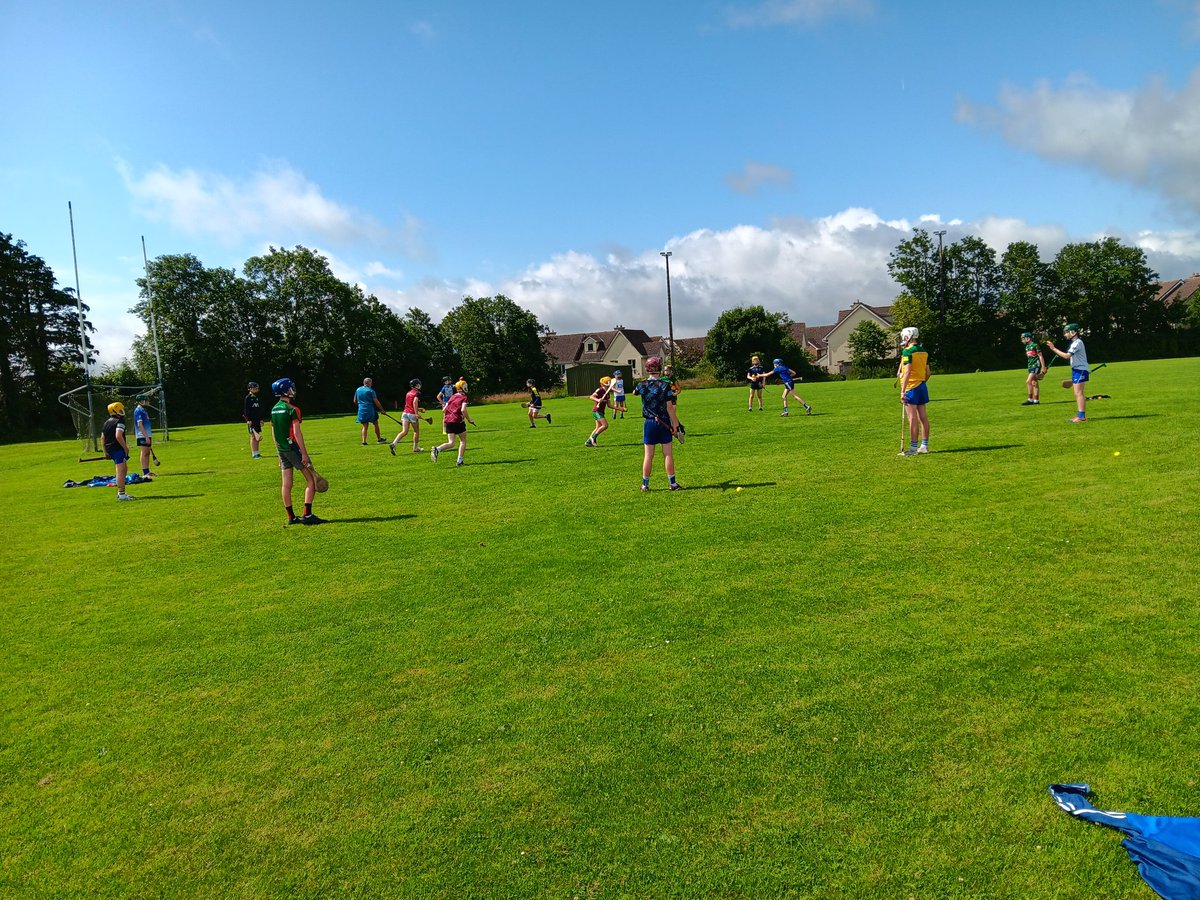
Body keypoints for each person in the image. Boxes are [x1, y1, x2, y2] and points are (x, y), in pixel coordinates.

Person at [271, 377, 325, 526]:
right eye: (291, 388)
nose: (292, 390)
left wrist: (278, 453)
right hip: (293, 448)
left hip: (282, 450)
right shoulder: (292, 409)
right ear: (286, 391)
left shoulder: (274, 409)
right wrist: (305, 454)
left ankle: (291, 517)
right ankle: (307, 515)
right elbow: (297, 433)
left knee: (286, 484)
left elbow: (274, 433)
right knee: (311, 480)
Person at [633, 356, 682, 492]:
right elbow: (669, 407)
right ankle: (672, 483)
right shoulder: (665, 385)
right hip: (663, 421)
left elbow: (635, 392)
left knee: (648, 455)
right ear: (659, 369)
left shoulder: (641, 384)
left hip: (649, 423)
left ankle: (645, 485)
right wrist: (676, 423)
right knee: (667, 454)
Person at [1045, 323, 1090, 423]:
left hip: (1080, 369)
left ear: (1073, 332)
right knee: (1077, 393)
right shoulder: (1075, 343)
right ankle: (1080, 415)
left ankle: (1082, 417)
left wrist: (1053, 349)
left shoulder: (1077, 343)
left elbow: (1066, 356)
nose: (1065, 334)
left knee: (1079, 393)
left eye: (1066, 332)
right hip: (1077, 369)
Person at [897, 326, 931, 456]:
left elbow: (907, 372)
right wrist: (921, 382)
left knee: (912, 418)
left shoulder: (907, 352)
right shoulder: (923, 351)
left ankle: (912, 449)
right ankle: (924, 446)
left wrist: (903, 391)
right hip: (922, 386)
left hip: (911, 387)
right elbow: (928, 372)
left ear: (907, 337)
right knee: (923, 417)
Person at [432, 381, 476, 466]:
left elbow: (444, 410)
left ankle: (438, 449)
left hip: (449, 421)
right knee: (463, 441)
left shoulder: (452, 396)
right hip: (458, 421)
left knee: (451, 443)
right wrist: (469, 419)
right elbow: (463, 410)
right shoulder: (464, 397)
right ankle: (460, 461)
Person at [101, 401, 136, 501]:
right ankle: (121, 494)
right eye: (120, 409)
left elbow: (102, 438)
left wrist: (105, 451)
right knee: (120, 470)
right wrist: (125, 448)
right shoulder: (119, 421)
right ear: (116, 410)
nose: (122, 411)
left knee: (124, 468)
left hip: (110, 449)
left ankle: (121, 492)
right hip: (117, 449)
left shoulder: (106, 422)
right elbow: (118, 435)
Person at [389, 378, 426, 455]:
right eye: (418, 384)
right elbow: (415, 402)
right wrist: (416, 413)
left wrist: (419, 410)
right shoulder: (417, 393)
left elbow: (410, 405)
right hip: (412, 414)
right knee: (416, 431)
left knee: (404, 431)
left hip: (405, 413)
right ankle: (416, 448)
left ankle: (394, 444)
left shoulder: (408, 393)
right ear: (416, 385)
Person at [585, 376, 616, 447]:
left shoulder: (607, 393)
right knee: (605, 425)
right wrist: (598, 400)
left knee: (597, 427)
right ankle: (593, 437)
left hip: (601, 412)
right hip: (597, 411)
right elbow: (591, 396)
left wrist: (618, 408)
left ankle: (588, 442)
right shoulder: (600, 390)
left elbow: (609, 405)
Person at [354, 377, 386, 445]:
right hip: (370, 410)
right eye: (371, 382)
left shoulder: (358, 389)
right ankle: (379, 439)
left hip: (361, 410)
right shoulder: (371, 391)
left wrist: (360, 406)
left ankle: (364, 441)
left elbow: (354, 401)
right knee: (375, 423)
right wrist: (382, 410)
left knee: (365, 426)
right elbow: (376, 401)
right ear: (369, 383)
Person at [662, 363, 685, 443]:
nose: (666, 371)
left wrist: (674, 394)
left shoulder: (674, 379)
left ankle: (677, 429)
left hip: (672, 399)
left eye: (667, 370)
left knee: (672, 415)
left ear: (670, 371)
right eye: (665, 370)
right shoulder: (662, 379)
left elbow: (679, 389)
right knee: (668, 415)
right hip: (665, 399)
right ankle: (679, 428)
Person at [1021, 332, 1046, 406]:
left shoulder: (1035, 346)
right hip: (1030, 366)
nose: (1022, 340)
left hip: (1036, 365)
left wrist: (1043, 367)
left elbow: (1040, 356)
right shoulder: (1027, 347)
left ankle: (1030, 399)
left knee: (1028, 381)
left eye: (1023, 338)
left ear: (1028, 338)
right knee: (1034, 383)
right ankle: (1036, 400)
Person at [133, 394, 155, 478]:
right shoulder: (138, 410)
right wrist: (146, 436)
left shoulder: (143, 410)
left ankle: (147, 471)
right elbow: (140, 424)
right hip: (142, 435)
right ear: (142, 401)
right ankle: (145, 473)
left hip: (147, 434)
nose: (148, 402)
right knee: (144, 452)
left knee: (147, 452)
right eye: (147, 400)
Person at [243, 381, 264, 458]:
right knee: (253, 436)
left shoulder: (257, 398)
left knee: (257, 436)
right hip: (251, 421)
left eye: (257, 388)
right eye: (255, 388)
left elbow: (259, 410)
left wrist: (261, 419)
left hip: (257, 420)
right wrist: (248, 420)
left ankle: (257, 452)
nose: (256, 389)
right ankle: (254, 453)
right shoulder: (248, 398)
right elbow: (246, 410)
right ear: (250, 389)